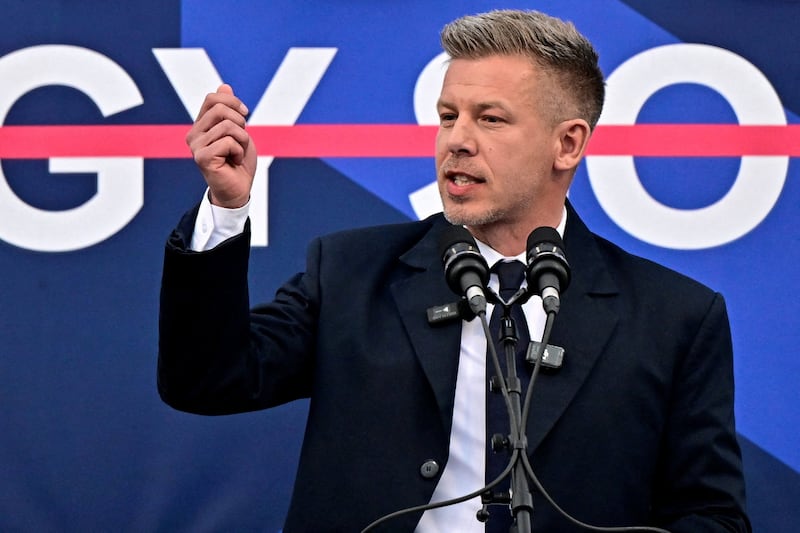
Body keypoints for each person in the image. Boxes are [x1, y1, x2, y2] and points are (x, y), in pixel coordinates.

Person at [158, 9, 750, 533]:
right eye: (448, 116)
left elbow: (713, 515)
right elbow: (208, 380)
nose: (456, 142)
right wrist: (227, 209)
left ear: (567, 144)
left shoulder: (674, 317)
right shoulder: (350, 273)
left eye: (490, 119)